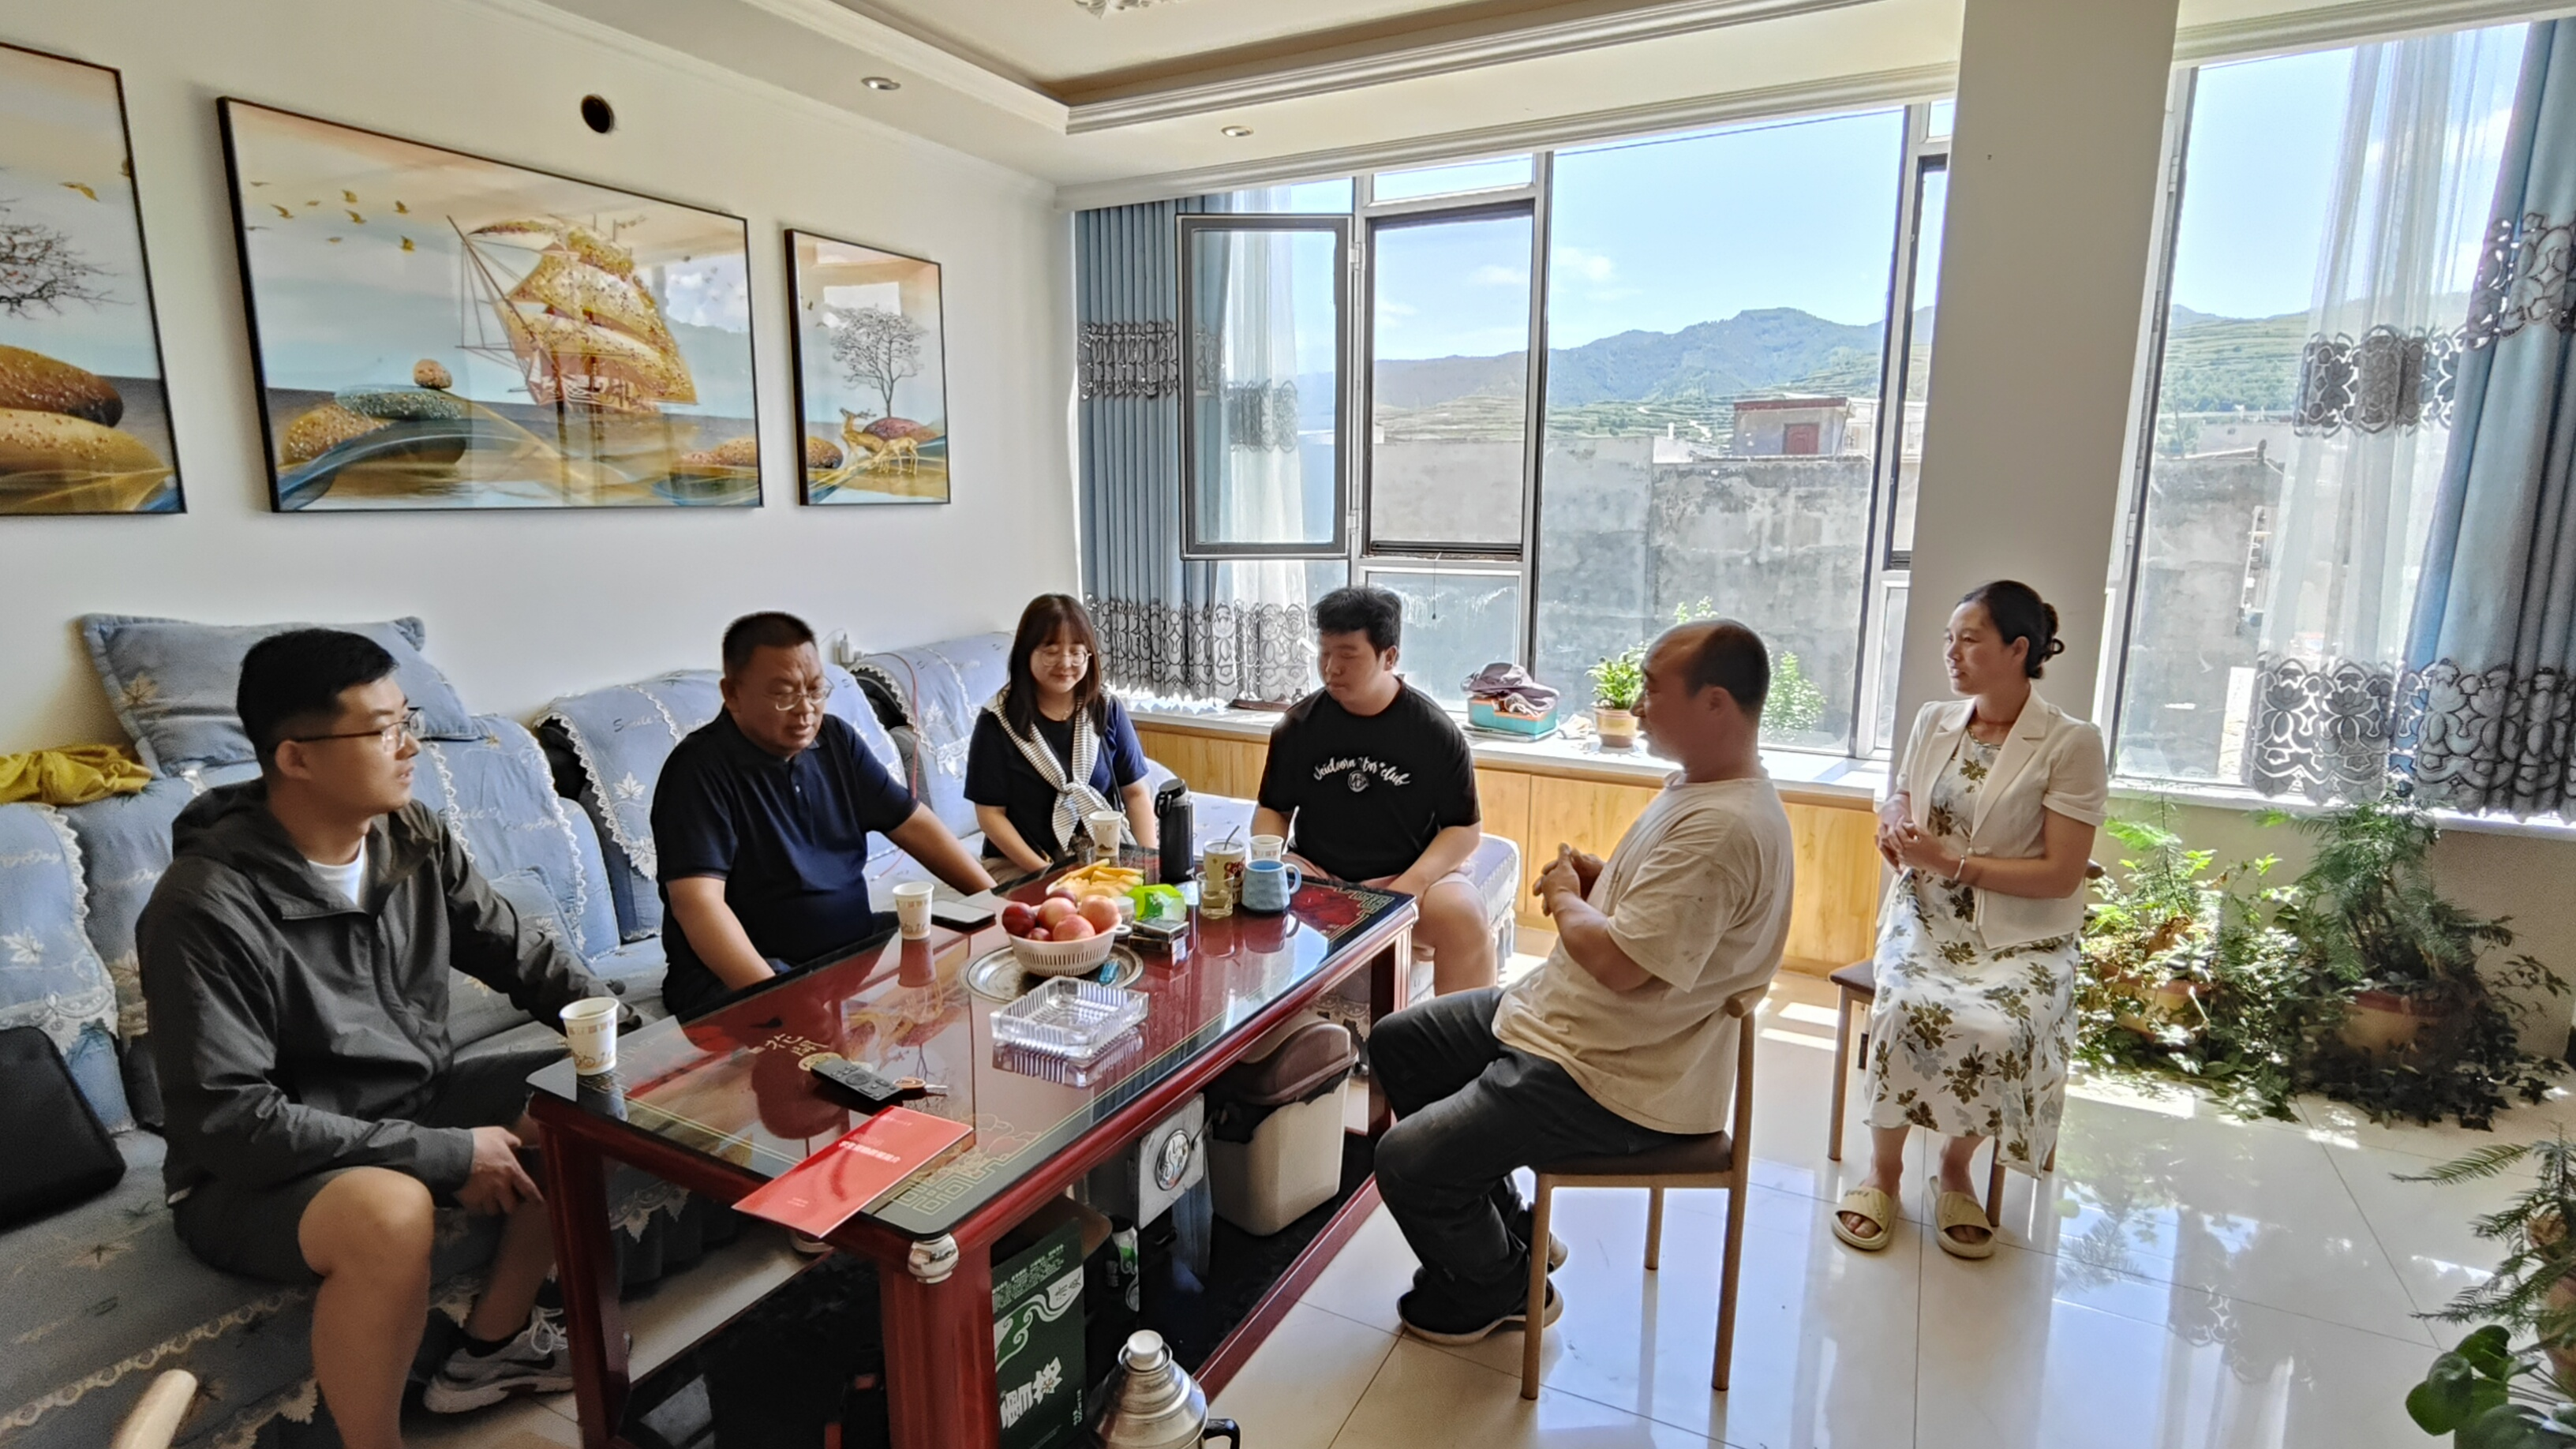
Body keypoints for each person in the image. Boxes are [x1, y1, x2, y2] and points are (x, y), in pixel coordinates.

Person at [139, 630, 614, 1449]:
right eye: (385, 729)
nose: (412, 747)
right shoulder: (204, 905)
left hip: (411, 1102)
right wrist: (447, 1155)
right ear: (296, 757)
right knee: (391, 1210)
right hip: (252, 1173)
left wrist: (627, 1040)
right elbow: (231, 1120)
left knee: (592, 1091)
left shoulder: (410, 836)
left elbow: (517, 952)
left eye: (409, 720)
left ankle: (492, 1348)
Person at [1368, 620, 1794, 1344]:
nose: (1638, 704)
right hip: (1570, 1022)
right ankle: (1510, 1232)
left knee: (1406, 1163)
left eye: (1654, 690)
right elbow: (1660, 920)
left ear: (1715, 703)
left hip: (1618, 1074)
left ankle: (1503, 1287)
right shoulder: (1702, 788)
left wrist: (1566, 897)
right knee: (1402, 1043)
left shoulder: (1724, 829)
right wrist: (1608, 883)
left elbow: (1621, 965)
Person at [1833, 580, 2106, 1261]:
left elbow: (2062, 875)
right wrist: (1895, 820)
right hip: (1927, 913)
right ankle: (1883, 1172)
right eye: (1948, 640)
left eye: (1970, 640)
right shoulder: (1935, 721)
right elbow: (1902, 793)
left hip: (2023, 930)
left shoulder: (2070, 743)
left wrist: (1952, 862)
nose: (1951, 653)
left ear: (2018, 649)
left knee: (2004, 1028)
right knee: (1902, 1009)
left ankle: (1956, 1168)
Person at [653, 612, 994, 1018]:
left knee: (962, 944)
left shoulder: (836, 741)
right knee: (805, 1036)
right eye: (784, 695)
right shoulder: (698, 770)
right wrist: (780, 999)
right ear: (733, 694)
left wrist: (997, 903)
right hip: (749, 975)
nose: (806, 710)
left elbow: (914, 825)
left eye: (816, 690)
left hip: (850, 949)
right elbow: (698, 904)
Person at [1252, 585, 1492, 994]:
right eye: (1324, 654)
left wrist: (1410, 887)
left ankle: (1463, 1031)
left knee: (1464, 915)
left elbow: (1464, 829)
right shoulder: (1298, 725)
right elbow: (1273, 809)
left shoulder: (1433, 731)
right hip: (1319, 875)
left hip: (1405, 876)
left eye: (1348, 656)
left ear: (1389, 657)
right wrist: (1266, 864)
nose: (1331, 669)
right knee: (1258, 908)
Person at [965, 594, 1158, 875]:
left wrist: (1151, 863)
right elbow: (990, 816)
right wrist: (1049, 874)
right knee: (1068, 903)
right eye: (1051, 651)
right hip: (1025, 863)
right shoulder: (996, 721)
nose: (1065, 663)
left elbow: (1136, 793)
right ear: (1026, 653)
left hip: (1105, 851)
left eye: (1076, 651)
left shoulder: (1106, 708)